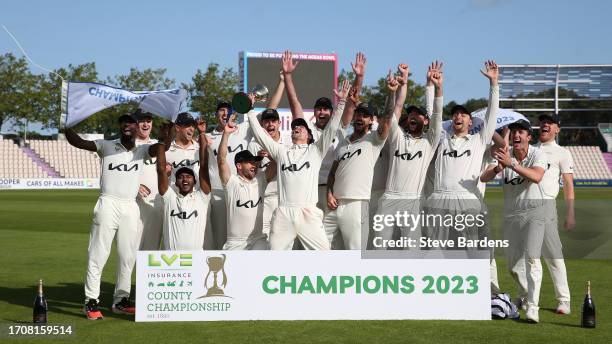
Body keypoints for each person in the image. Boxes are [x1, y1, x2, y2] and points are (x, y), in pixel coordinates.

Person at [63, 111, 169, 320]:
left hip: (130, 206)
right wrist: (66, 125)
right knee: (98, 254)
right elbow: (79, 142)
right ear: (120, 127)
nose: (127, 126)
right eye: (124, 123)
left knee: (127, 256)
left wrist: (167, 135)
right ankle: (91, 302)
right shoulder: (106, 145)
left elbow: (159, 149)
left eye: (131, 123)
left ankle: (120, 300)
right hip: (108, 202)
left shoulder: (142, 150)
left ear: (138, 128)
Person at [247, 80, 351, 250]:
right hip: (283, 214)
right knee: (274, 258)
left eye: (301, 127)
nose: (297, 128)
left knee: (325, 256)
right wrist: (250, 110)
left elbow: (331, 128)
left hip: (308, 213)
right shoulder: (282, 152)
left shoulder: (315, 151)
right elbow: (261, 136)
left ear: (309, 136)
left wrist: (341, 103)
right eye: (295, 126)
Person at [424, 60, 499, 250]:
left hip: (467, 199)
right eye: (456, 114)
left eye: (463, 115)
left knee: (468, 252)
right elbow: (433, 113)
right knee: (435, 253)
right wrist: (432, 86)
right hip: (439, 197)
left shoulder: (479, 140)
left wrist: (494, 84)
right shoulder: (441, 138)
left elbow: (492, 115)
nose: (458, 117)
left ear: (471, 121)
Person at [481, 119, 547, 323]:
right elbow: (484, 178)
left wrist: (513, 164)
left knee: (532, 260)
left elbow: (536, 176)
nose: (517, 136)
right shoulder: (505, 155)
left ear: (529, 137)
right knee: (513, 265)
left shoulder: (537, 154)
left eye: (521, 132)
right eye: (514, 132)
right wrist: (498, 168)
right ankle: (525, 296)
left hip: (535, 213)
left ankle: (533, 307)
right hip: (511, 216)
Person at [282, 51, 365, 212]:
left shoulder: (339, 126)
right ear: (314, 112)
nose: (322, 112)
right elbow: (294, 103)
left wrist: (359, 78)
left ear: (332, 112)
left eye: (326, 109)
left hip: (333, 189)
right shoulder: (307, 129)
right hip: (308, 188)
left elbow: (352, 101)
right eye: (318, 109)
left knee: (329, 235)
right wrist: (287, 75)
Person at [373, 62, 443, 249]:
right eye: (410, 114)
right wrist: (399, 86)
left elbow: (437, 115)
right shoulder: (397, 138)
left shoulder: (430, 141)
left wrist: (438, 89)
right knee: (379, 251)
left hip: (412, 201)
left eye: (418, 115)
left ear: (425, 120)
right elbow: (393, 112)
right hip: (389, 199)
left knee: (411, 252)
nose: (412, 116)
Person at [511, 114, 574, 314]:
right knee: (521, 256)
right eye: (543, 122)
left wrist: (570, 212)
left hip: (545, 207)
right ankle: (523, 297)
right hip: (522, 207)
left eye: (551, 123)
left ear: (557, 129)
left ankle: (564, 300)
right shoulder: (531, 150)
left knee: (552, 255)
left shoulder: (562, 153)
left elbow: (568, 185)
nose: (545, 125)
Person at [324, 72, 394, 249]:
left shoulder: (373, 140)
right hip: (334, 205)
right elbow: (333, 173)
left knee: (355, 253)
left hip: (357, 204)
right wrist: (329, 193)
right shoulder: (344, 143)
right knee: (322, 250)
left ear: (372, 120)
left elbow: (387, 121)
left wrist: (391, 93)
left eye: (365, 115)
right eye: (358, 114)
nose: (359, 118)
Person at [219, 118, 277, 249]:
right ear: (239, 165)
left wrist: (269, 153)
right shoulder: (231, 182)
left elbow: (277, 163)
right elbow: (221, 160)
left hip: (258, 239)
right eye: (250, 162)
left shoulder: (260, 179)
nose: (255, 165)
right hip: (235, 242)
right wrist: (226, 134)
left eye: (255, 162)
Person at [157, 119, 211, 250]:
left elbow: (203, 166)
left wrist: (202, 133)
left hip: (196, 260)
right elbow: (161, 169)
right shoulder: (169, 198)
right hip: (171, 262)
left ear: (195, 180)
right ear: (175, 182)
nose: (185, 180)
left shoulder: (202, 198)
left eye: (188, 177)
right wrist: (161, 142)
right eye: (181, 177)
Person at [206, 101, 254, 249]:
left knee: (243, 237)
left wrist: (283, 82)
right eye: (221, 110)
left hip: (242, 192)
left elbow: (270, 108)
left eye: (229, 111)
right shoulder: (207, 137)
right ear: (216, 115)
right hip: (218, 194)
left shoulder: (244, 129)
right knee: (221, 239)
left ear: (235, 114)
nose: (225, 113)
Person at [134, 110, 163, 250]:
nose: (146, 124)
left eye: (149, 121)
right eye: (142, 121)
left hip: (155, 205)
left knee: (151, 251)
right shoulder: (128, 145)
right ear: (135, 123)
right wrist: (134, 185)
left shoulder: (159, 144)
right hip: (133, 205)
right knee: (130, 251)